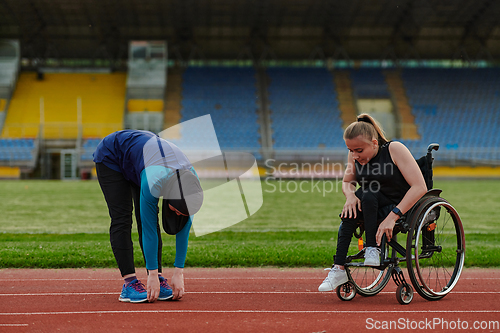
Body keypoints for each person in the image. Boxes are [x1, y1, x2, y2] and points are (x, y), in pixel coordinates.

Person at [318, 114, 427, 292]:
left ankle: (372, 248)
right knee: (352, 208)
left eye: (359, 150)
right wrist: (350, 196)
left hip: (400, 204)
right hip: (371, 202)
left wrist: (392, 217)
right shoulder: (353, 155)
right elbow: (347, 182)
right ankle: (339, 268)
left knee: (368, 194)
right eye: (350, 150)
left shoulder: (395, 149)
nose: (354, 155)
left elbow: (419, 187)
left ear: (374, 143)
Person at [93, 130, 203, 303]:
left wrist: (178, 271)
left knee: (146, 215)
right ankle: (129, 284)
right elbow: (148, 226)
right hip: (113, 155)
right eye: (175, 210)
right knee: (123, 218)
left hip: (143, 158)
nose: (176, 215)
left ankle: (158, 277)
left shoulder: (191, 184)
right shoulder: (154, 182)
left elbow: (184, 228)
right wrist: (151, 274)